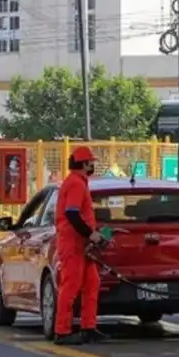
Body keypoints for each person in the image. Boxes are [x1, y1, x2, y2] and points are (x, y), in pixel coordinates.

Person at [53, 146, 109, 345]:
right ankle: (62, 331)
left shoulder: (78, 182)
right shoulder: (76, 184)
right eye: (91, 162)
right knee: (71, 286)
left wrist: (92, 234)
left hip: (81, 242)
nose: (93, 165)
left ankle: (88, 327)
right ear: (84, 163)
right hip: (73, 243)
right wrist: (91, 234)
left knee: (91, 283)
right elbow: (72, 213)